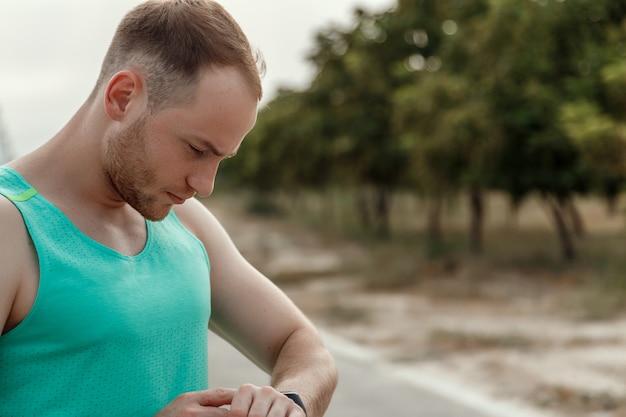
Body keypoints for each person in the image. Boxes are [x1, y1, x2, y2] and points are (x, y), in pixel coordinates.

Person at [0, 1, 338, 416]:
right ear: (123, 98)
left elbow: (303, 347)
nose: (206, 185)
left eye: (221, 160)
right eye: (196, 149)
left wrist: (289, 403)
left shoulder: (184, 220)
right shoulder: (10, 226)